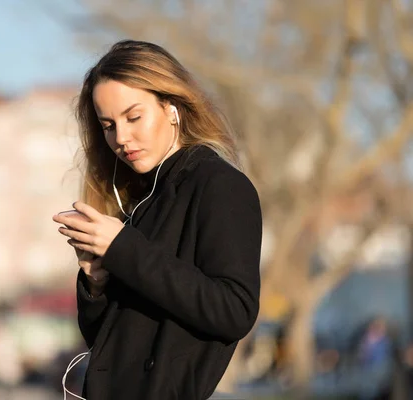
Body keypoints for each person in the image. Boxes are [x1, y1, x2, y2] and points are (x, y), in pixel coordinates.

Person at [52, 39, 262, 400]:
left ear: (172, 107)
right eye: (108, 125)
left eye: (134, 117)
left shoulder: (219, 185)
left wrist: (122, 248)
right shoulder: (138, 200)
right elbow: (112, 343)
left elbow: (235, 310)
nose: (121, 138)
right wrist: (96, 284)